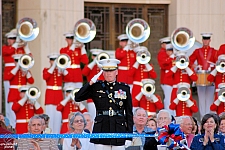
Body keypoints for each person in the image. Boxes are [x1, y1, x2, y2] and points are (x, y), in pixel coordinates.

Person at [75, 58, 133, 150]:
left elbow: (129, 113)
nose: (108, 73)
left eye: (111, 70)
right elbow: (78, 97)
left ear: (116, 72)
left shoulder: (124, 88)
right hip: (101, 129)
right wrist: (89, 83)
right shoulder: (96, 86)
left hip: (118, 129)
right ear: (103, 72)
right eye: (106, 71)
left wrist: (129, 136)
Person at [2, 29, 32, 128]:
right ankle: (10, 124)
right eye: (11, 38)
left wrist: (26, 46)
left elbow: (30, 58)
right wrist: (17, 43)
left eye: (14, 38)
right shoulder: (7, 48)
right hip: (10, 74)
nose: (13, 40)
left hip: (21, 75)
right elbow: (8, 51)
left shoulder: (21, 49)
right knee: (10, 101)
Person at [189, 33, 217, 119]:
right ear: (202, 40)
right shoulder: (197, 51)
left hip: (210, 78)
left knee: (209, 99)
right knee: (201, 99)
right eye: (204, 39)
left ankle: (209, 117)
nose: (205, 41)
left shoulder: (214, 51)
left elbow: (219, 63)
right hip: (200, 78)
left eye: (207, 39)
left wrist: (214, 65)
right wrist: (195, 66)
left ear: (210, 40)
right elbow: (189, 61)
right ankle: (202, 118)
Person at [4, 53, 34, 129]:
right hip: (14, 95)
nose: (18, 62)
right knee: (12, 118)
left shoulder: (26, 71)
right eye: (16, 60)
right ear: (14, 61)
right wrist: (17, 67)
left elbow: (31, 81)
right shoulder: (12, 70)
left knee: (21, 116)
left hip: (23, 95)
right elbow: (8, 77)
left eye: (20, 60)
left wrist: (26, 71)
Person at [43, 53, 68, 134]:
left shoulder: (60, 71)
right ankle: (49, 138)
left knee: (57, 120)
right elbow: (45, 77)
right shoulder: (46, 69)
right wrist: (54, 66)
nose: (54, 61)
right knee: (49, 120)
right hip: (50, 97)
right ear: (50, 61)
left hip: (58, 97)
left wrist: (63, 68)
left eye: (56, 60)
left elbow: (69, 77)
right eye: (53, 60)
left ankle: (56, 141)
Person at [129, 46, 157, 111]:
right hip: (136, 88)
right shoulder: (134, 64)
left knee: (144, 105)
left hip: (146, 87)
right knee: (134, 105)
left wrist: (146, 63)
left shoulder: (148, 65)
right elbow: (130, 74)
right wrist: (137, 62)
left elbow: (154, 76)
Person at [82, 49, 105, 120]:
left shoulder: (104, 68)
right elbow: (84, 72)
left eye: (98, 56)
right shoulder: (90, 67)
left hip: (102, 96)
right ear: (92, 57)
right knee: (92, 118)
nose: (97, 57)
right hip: (92, 96)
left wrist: (101, 65)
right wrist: (94, 62)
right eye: (95, 56)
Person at [157, 37, 175, 116]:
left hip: (174, 79)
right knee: (168, 99)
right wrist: (171, 57)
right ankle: (169, 114)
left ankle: (174, 114)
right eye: (166, 44)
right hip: (166, 79)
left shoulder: (173, 54)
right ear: (163, 44)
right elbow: (163, 65)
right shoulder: (162, 53)